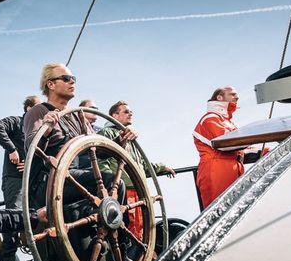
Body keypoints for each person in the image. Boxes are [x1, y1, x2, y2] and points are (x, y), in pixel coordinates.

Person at [23, 63, 129, 208]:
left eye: (73, 78)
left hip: (71, 178)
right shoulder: (38, 112)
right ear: (51, 84)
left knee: (117, 185)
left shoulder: (78, 117)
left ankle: (110, 221)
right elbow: (31, 149)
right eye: (66, 78)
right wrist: (46, 129)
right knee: (110, 182)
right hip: (47, 183)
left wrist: (121, 139)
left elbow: (98, 150)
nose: (72, 82)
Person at [98, 101, 176, 240]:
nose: (130, 114)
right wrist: (111, 187)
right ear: (114, 115)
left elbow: (141, 165)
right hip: (123, 190)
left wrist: (162, 167)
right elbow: (101, 160)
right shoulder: (107, 133)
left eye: (131, 112)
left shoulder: (131, 138)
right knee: (128, 229)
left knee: (141, 230)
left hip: (139, 191)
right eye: (126, 111)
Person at [0, 95, 41, 261]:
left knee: (38, 213)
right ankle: (9, 257)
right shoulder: (17, 122)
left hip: (33, 180)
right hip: (14, 179)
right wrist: (11, 149)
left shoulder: (39, 130)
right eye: (39, 107)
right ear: (28, 108)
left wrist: (30, 164)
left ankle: (41, 252)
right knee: (14, 213)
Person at [192, 86, 244, 209]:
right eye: (232, 94)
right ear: (219, 97)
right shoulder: (210, 119)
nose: (237, 97)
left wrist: (265, 151)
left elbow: (240, 147)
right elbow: (225, 143)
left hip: (233, 169)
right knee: (218, 211)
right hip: (216, 171)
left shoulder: (226, 121)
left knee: (235, 211)